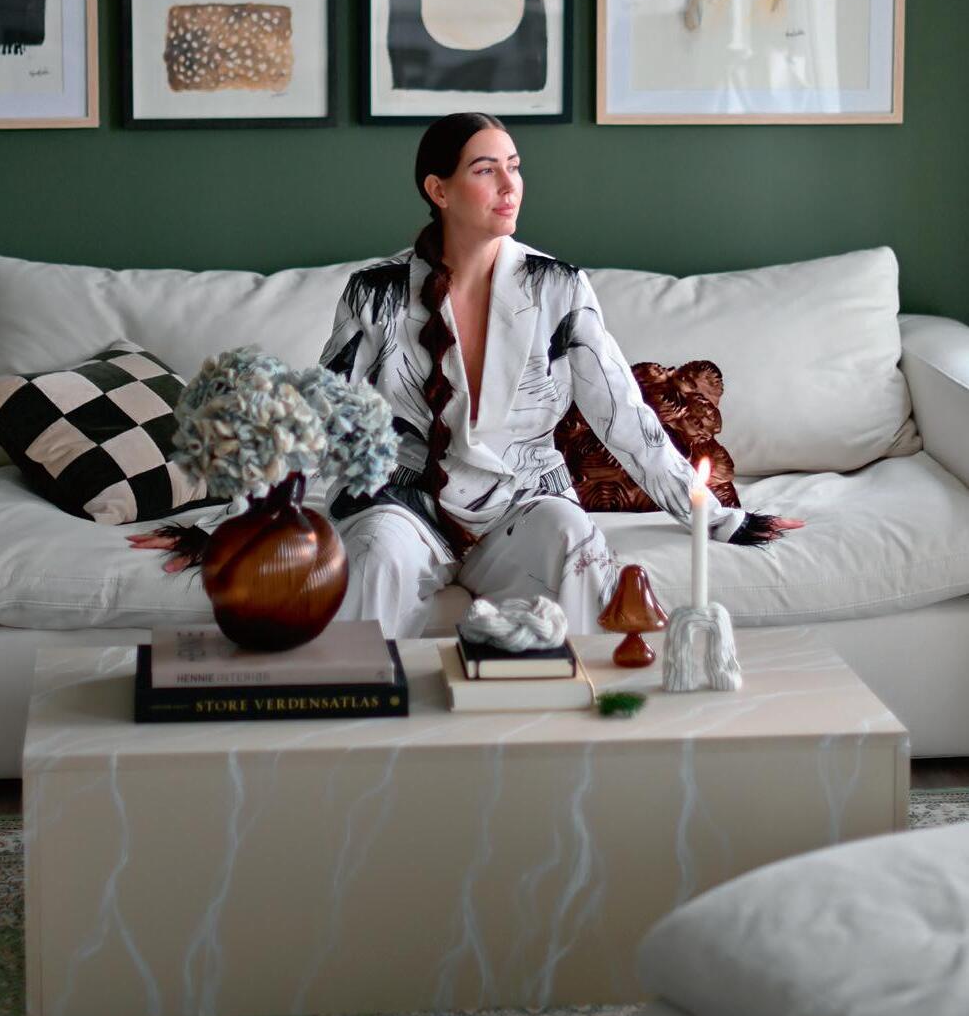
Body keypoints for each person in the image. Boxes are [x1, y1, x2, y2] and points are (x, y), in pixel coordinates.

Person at [131, 112, 803, 638]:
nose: (510, 185)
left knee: (573, 538)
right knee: (376, 555)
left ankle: (574, 725)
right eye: (486, 170)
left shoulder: (558, 288)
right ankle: (363, 723)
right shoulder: (377, 293)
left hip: (521, 502)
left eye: (514, 167)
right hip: (403, 504)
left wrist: (715, 516)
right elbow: (318, 413)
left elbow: (621, 412)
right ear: (439, 189)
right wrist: (238, 524)